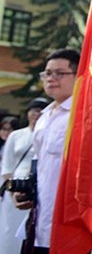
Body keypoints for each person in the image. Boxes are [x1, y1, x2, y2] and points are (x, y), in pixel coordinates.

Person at [13, 48, 79, 254]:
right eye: (47, 73)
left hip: (69, 223)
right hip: (37, 219)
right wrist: (24, 189)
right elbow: (38, 160)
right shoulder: (45, 116)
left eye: (60, 73)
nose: (51, 78)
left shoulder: (83, 115)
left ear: (78, 77)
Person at [0, 107, 31, 254]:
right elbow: (7, 166)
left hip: (34, 187)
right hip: (13, 185)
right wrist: (11, 188)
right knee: (9, 227)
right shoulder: (17, 136)